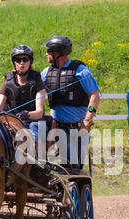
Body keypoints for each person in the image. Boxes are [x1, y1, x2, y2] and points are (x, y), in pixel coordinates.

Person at [41, 35, 100, 170]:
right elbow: (37, 93)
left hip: (77, 128)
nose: (46, 54)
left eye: (49, 51)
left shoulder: (80, 71)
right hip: (56, 127)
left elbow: (95, 95)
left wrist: (87, 121)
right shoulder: (46, 73)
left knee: (71, 165)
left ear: (58, 53)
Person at [0, 45, 47, 142]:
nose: (22, 63)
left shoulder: (37, 80)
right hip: (12, 122)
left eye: (25, 59)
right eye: (18, 60)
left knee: (34, 128)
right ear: (14, 62)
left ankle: (38, 155)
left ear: (30, 62)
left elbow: (39, 113)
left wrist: (26, 114)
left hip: (33, 122)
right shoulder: (8, 81)